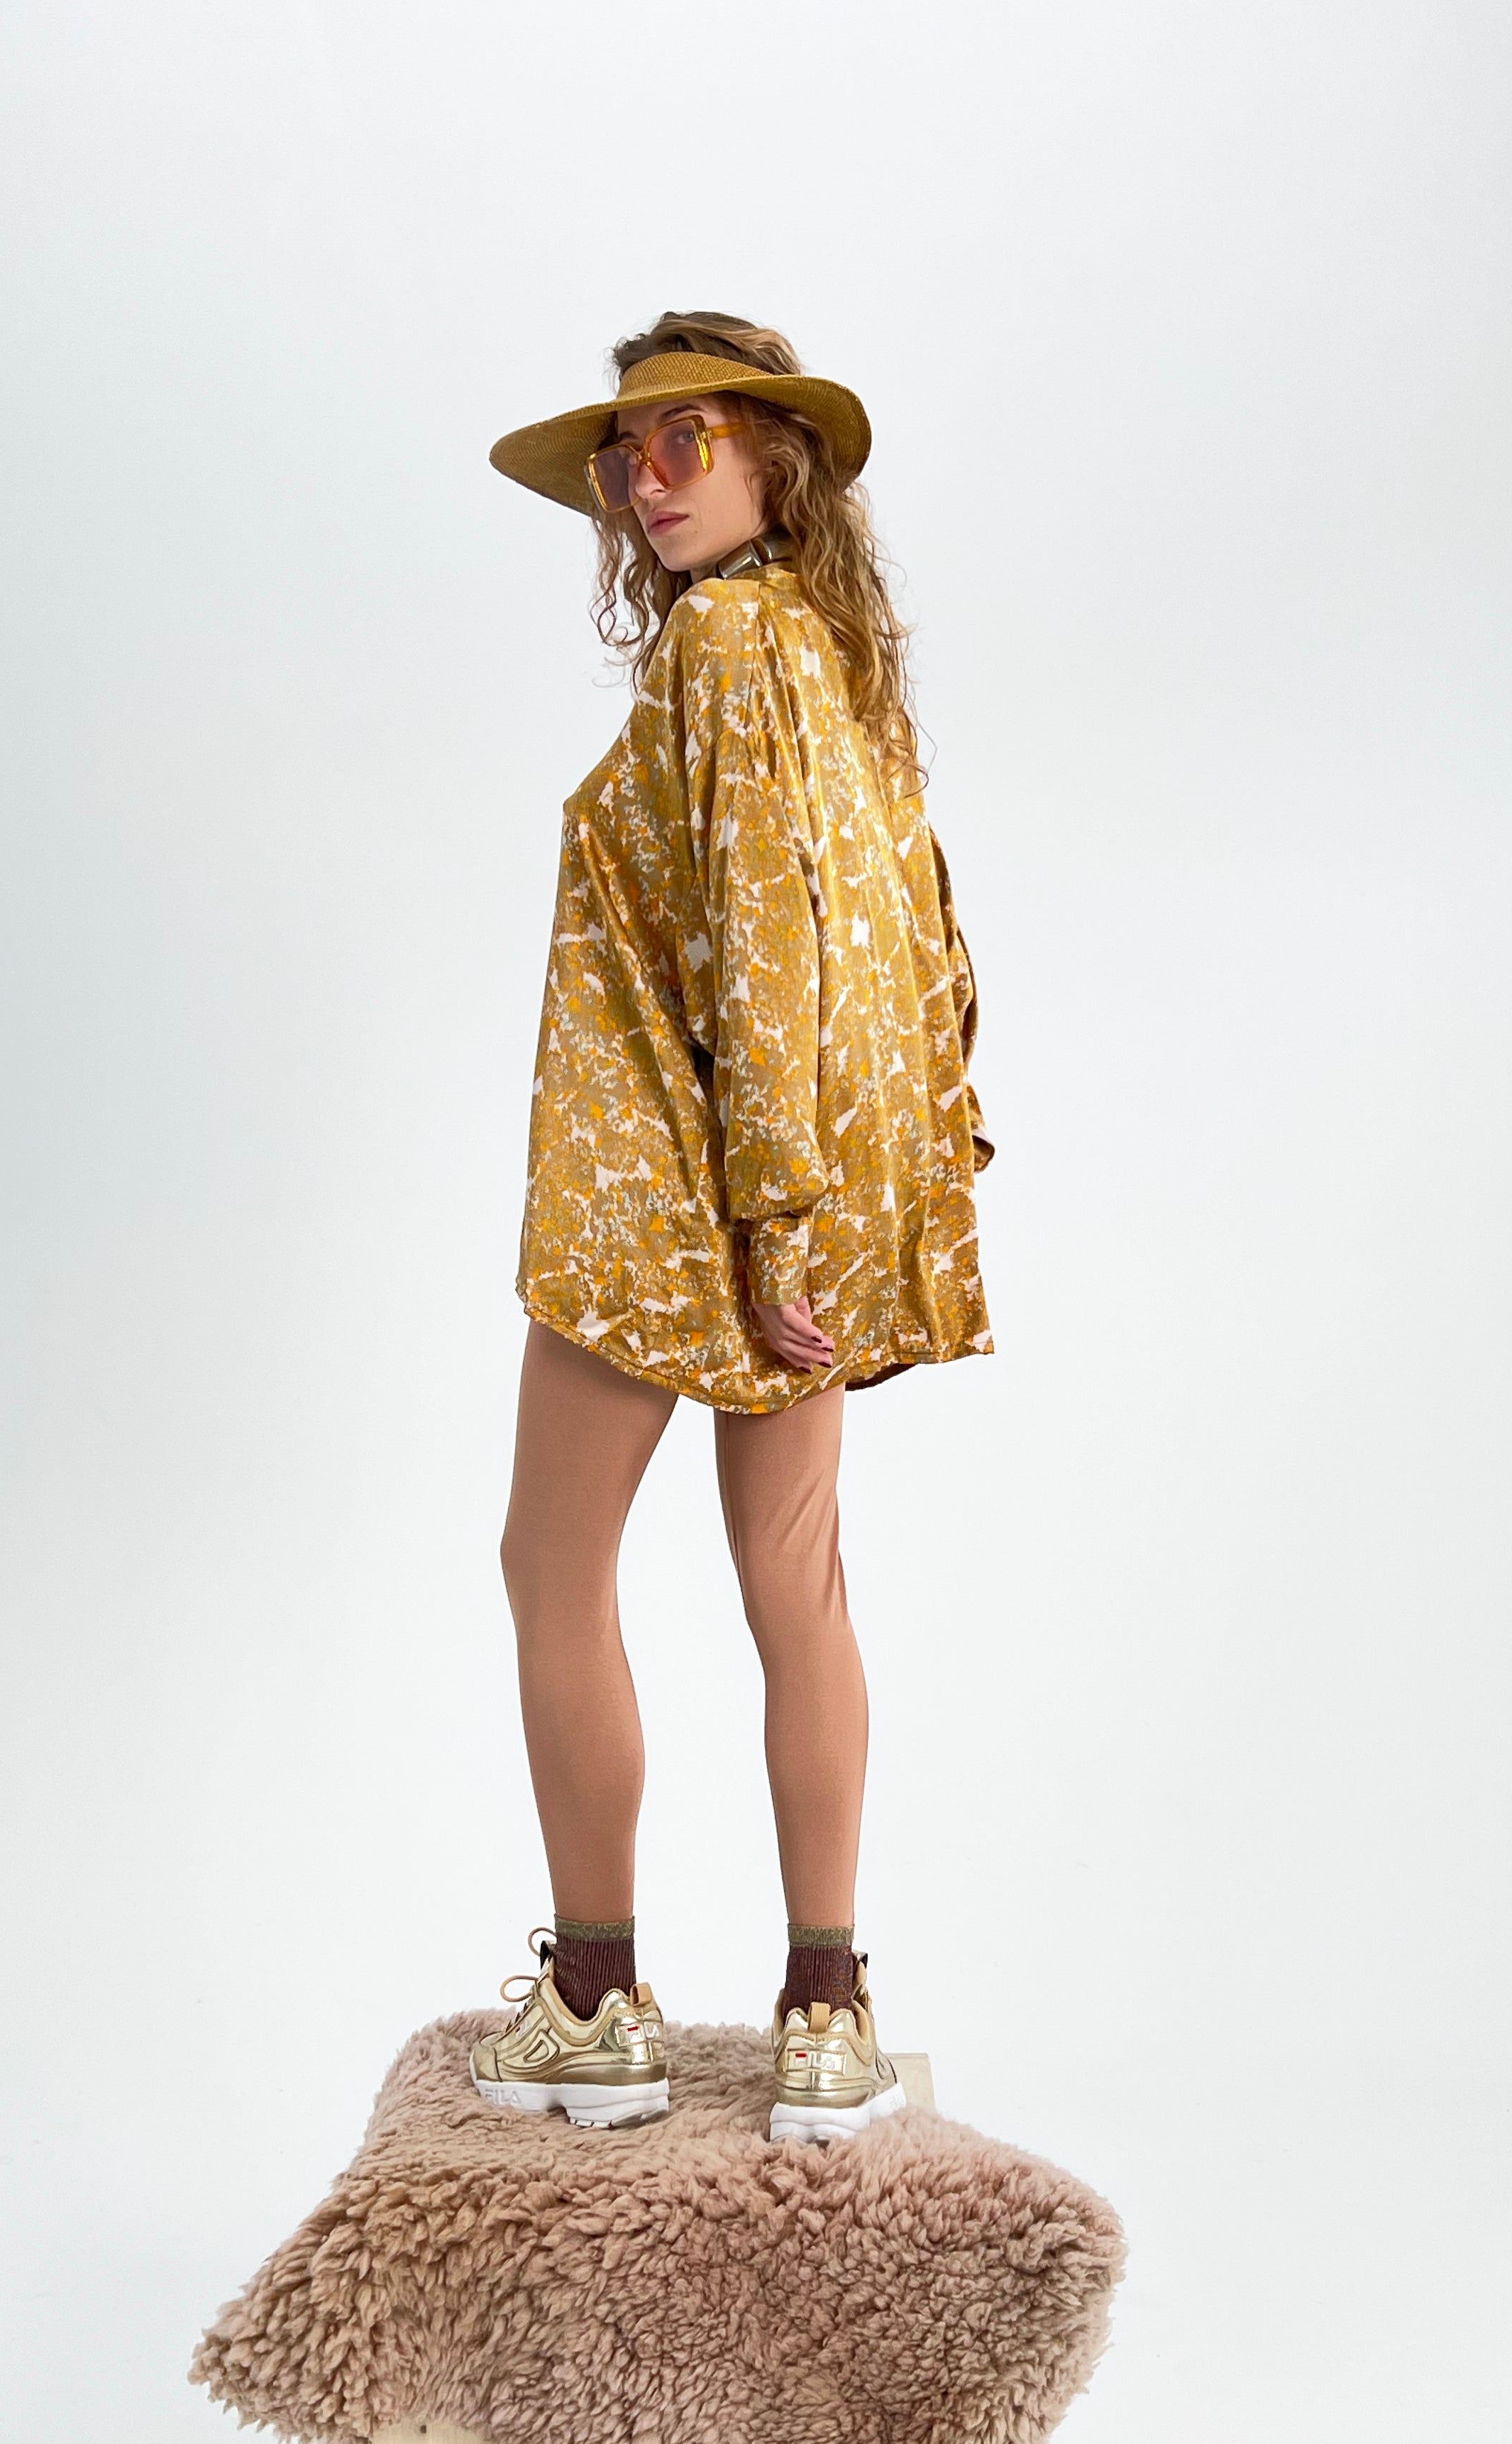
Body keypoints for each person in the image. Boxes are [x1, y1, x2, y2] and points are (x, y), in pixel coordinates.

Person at [470, 313, 993, 2145]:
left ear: (780, 457)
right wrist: (863, 1194)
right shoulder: (840, 663)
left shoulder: (723, 650)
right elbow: (922, 945)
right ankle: (826, 2019)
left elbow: (771, 951)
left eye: (684, 439)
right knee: (798, 1583)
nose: (644, 479)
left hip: (665, 1201)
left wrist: (770, 1222)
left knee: (552, 1570)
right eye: (627, 453)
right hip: (801, 1192)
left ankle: (598, 2006)